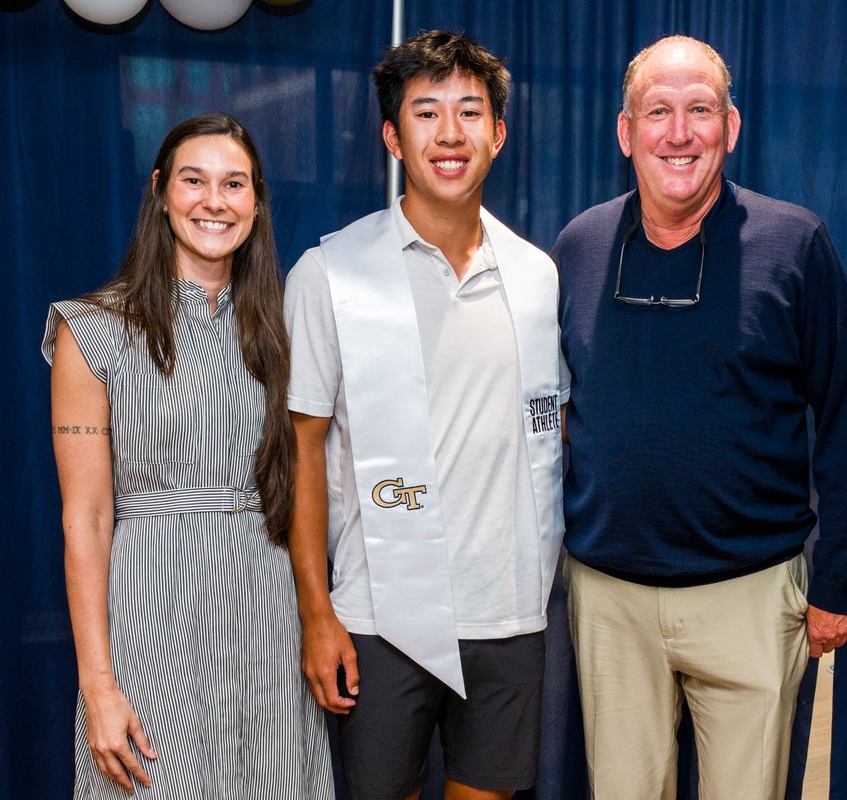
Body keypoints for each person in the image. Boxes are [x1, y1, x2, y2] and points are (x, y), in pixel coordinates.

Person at [553, 36, 847, 800]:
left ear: (730, 127)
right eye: (659, 112)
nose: (679, 133)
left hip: (752, 595)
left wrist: (838, 581)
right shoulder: (579, 245)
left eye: (699, 110)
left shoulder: (794, 243)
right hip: (610, 599)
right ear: (625, 132)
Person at [284, 31, 567, 800]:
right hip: (380, 618)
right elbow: (303, 452)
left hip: (507, 615)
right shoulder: (330, 273)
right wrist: (317, 614)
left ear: (499, 135)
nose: (450, 134)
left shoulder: (539, 276)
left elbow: (551, 428)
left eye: (471, 113)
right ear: (392, 136)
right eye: (427, 113)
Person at [42, 112, 333, 799]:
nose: (213, 200)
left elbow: (320, 477)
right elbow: (84, 519)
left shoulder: (290, 330)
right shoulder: (92, 332)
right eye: (194, 180)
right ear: (160, 192)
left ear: (257, 203)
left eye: (234, 184)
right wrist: (99, 685)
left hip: (266, 604)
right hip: (151, 610)